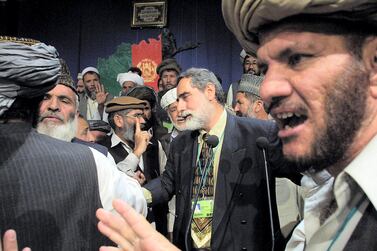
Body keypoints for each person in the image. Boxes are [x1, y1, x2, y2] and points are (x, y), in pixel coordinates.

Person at [0, 37, 116, 250]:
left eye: (64, 100)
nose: (53, 106)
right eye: (46, 97)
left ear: (77, 112)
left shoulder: (96, 160)